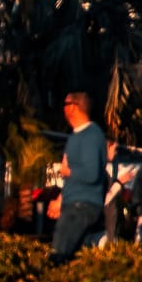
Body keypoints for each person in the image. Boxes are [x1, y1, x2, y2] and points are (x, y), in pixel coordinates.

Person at [49, 92, 110, 264]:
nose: (63, 109)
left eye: (66, 104)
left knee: (59, 254)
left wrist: (69, 171)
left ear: (74, 107)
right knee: (73, 258)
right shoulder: (75, 136)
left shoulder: (92, 135)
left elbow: (92, 173)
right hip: (73, 204)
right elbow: (72, 178)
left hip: (82, 207)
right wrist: (60, 199)